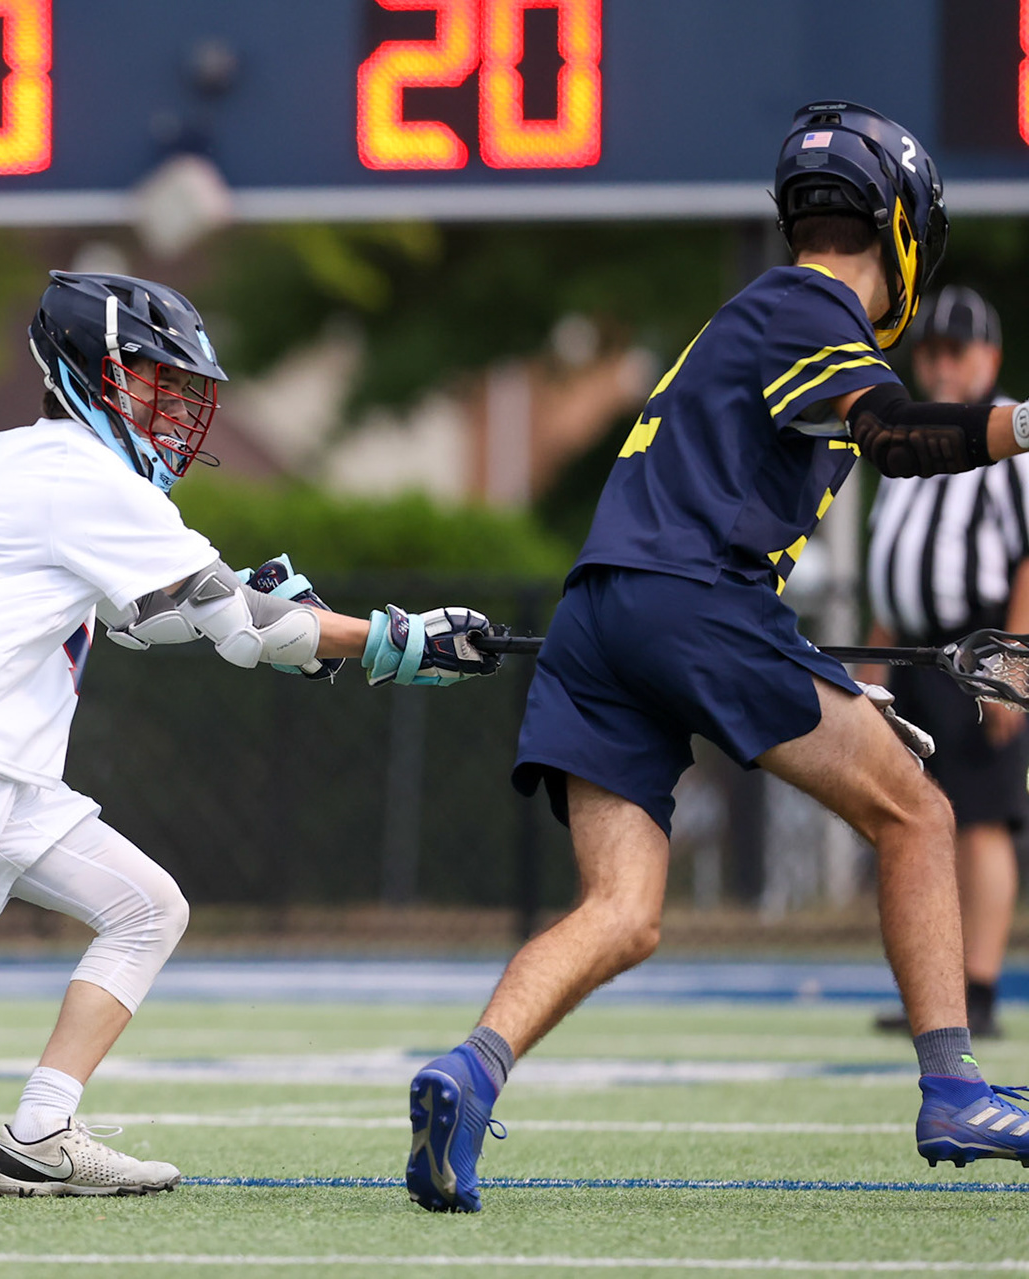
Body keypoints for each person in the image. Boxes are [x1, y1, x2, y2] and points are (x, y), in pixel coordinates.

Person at [0, 270, 501, 1205]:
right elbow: (241, 626)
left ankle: (40, 1133)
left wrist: (285, 626)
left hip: (4, 764)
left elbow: (154, 620)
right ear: (92, 373)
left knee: (149, 906)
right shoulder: (76, 473)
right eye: (154, 378)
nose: (174, 404)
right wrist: (397, 638)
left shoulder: (35, 458)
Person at [405, 101, 1029, 1216]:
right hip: (691, 607)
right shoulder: (806, 306)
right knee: (921, 814)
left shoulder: (746, 317)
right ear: (903, 230)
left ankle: (470, 1069)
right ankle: (953, 1087)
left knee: (625, 911)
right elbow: (891, 434)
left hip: (603, 619)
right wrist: (1018, 424)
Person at [866, 286, 1028, 1040]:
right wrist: (873, 664)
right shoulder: (906, 437)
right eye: (928, 350)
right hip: (911, 654)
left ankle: (982, 988)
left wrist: (1014, 665)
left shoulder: (1011, 439)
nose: (939, 364)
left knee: (982, 817)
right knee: (915, 817)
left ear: (989, 357)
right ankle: (935, 992)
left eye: (955, 350)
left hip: (980, 648)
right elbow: (890, 563)